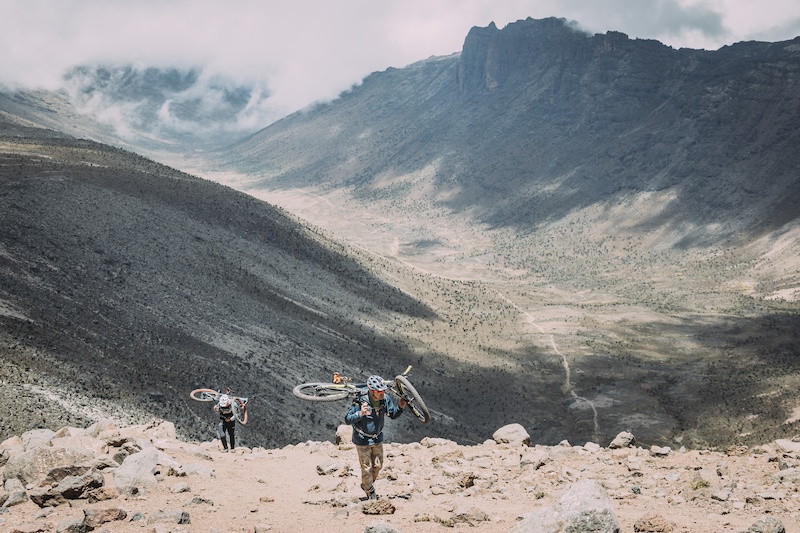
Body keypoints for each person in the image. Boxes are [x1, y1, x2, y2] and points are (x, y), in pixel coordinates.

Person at [344, 375, 406, 500]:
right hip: (362, 440)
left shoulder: (385, 399)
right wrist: (360, 414)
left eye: (383, 390)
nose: (382, 392)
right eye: (379, 391)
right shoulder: (360, 401)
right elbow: (348, 419)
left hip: (377, 439)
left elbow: (392, 414)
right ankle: (369, 491)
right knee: (366, 468)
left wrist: (400, 407)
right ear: (371, 391)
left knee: (378, 466)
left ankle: (366, 484)